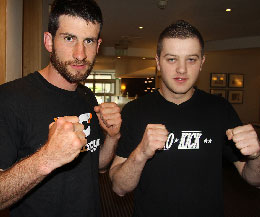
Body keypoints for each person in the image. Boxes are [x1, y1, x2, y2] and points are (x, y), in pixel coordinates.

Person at [109, 20, 260, 217]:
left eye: (191, 59)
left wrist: (256, 157)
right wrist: (141, 153)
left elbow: (255, 179)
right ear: (158, 62)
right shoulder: (134, 111)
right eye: (172, 59)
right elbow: (119, 187)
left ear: (202, 62)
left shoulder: (220, 109)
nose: (182, 69)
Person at [0, 0, 121, 216]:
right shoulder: (9, 99)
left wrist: (112, 137)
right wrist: (46, 159)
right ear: (48, 41)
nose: (80, 54)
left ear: (98, 45)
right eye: (69, 38)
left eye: (89, 41)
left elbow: (97, 166)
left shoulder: (87, 96)